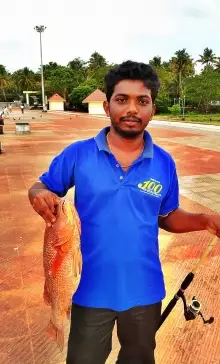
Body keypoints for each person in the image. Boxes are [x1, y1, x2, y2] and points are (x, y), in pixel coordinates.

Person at [28, 61, 220, 364]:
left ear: (152, 109)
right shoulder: (78, 154)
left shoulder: (164, 163)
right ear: (106, 106)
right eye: (122, 99)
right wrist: (39, 195)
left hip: (145, 289)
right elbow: (41, 187)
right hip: (89, 290)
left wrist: (207, 220)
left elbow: (167, 217)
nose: (132, 109)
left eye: (142, 101)